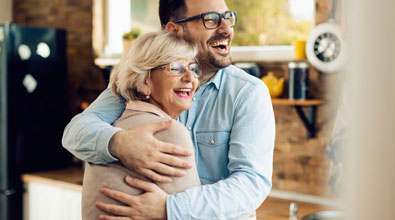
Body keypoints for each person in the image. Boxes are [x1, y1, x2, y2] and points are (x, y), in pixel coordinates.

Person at [62, 0, 275, 219]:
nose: (226, 29)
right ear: (173, 30)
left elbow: (251, 184)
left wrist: (170, 208)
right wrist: (119, 143)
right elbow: (75, 133)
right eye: (210, 19)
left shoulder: (248, 93)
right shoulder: (144, 81)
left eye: (227, 17)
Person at [81, 31, 201, 219]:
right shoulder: (169, 131)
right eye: (176, 68)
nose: (190, 77)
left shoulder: (110, 126)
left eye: (193, 68)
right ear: (145, 81)